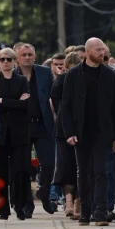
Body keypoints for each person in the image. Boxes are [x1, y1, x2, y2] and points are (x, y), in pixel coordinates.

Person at [61, 38, 115, 226]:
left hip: (103, 132)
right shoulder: (73, 75)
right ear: (87, 52)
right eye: (97, 50)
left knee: (101, 171)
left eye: (103, 49)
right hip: (81, 132)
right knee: (84, 173)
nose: (101, 53)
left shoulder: (110, 75)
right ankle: (85, 212)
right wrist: (69, 132)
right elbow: (66, 106)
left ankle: (100, 213)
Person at [0, 48, 31, 220]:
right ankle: (3, 208)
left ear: (14, 61)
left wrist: (3, 101)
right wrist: (14, 102)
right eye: (2, 59)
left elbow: (26, 105)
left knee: (20, 172)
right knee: (0, 173)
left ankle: (19, 207)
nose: (5, 62)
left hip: (19, 133)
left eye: (9, 59)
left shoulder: (22, 81)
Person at [15, 44, 56, 216]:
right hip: (21, 126)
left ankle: (44, 193)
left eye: (29, 54)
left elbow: (55, 95)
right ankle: (27, 204)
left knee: (48, 163)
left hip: (42, 124)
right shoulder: (12, 74)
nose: (26, 57)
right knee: (23, 166)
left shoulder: (45, 73)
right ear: (18, 57)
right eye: (23, 54)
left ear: (35, 56)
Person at [51, 52, 82, 219]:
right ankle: (76, 204)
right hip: (76, 126)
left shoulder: (61, 79)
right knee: (79, 166)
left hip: (63, 128)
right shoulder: (80, 78)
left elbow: (53, 96)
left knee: (65, 165)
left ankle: (69, 203)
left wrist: (61, 111)